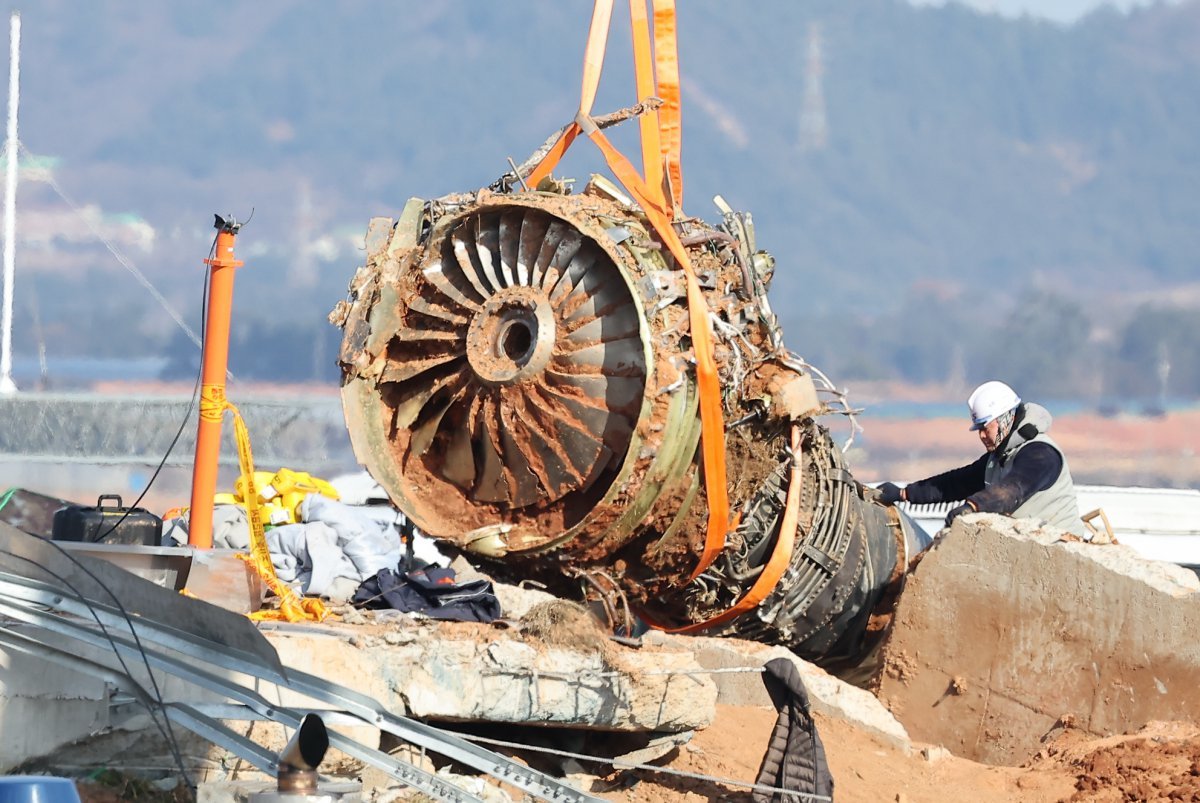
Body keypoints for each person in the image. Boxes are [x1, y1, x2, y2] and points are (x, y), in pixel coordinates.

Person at [877, 381, 1085, 536]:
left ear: (1006, 419)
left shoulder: (1040, 454)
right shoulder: (997, 459)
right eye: (979, 429)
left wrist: (973, 507)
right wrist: (904, 493)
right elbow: (955, 483)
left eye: (986, 427)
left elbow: (1011, 490)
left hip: (1061, 549)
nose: (982, 435)